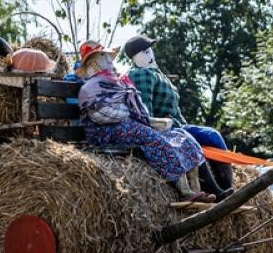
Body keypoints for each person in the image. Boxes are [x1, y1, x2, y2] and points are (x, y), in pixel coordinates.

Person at [74, 42, 216, 202]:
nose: (108, 59)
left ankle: (195, 187)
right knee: (152, 137)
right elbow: (101, 115)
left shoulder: (119, 82)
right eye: (102, 55)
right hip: (106, 133)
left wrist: (142, 117)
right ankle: (184, 191)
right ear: (93, 62)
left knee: (180, 135)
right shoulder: (90, 88)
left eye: (108, 55)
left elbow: (136, 107)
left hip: (125, 125)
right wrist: (128, 112)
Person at [121, 35, 234, 196]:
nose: (150, 55)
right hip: (165, 126)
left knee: (212, 135)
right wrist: (158, 128)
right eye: (145, 52)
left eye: (150, 51)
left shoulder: (155, 72)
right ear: (135, 58)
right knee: (198, 139)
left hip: (179, 124)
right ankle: (216, 191)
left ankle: (228, 187)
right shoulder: (141, 74)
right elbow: (144, 112)